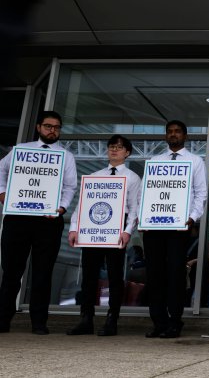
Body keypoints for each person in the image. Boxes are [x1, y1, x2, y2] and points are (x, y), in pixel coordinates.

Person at [0, 110, 77, 334]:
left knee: (43, 273)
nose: (53, 130)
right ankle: (3, 320)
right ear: (38, 127)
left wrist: (61, 207)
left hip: (48, 221)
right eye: (48, 126)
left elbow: (70, 186)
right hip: (18, 218)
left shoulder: (66, 156)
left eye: (57, 127)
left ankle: (39, 322)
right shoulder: (20, 151)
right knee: (12, 272)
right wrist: (3, 193)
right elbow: (1, 171)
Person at [66, 135, 141, 336]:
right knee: (89, 276)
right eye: (111, 147)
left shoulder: (133, 178)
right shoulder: (95, 175)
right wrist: (74, 227)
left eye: (119, 147)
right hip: (92, 230)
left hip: (117, 231)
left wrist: (127, 231)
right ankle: (86, 318)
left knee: (116, 277)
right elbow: (82, 205)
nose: (114, 150)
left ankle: (112, 319)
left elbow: (135, 208)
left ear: (127, 152)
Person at [143, 120, 207, 339]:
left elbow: (201, 193)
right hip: (154, 227)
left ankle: (174, 321)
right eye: (169, 132)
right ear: (165, 136)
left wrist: (192, 217)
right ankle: (158, 321)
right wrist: (144, 219)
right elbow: (148, 192)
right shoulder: (154, 160)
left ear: (185, 136)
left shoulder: (195, 161)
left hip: (179, 226)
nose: (173, 135)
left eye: (177, 132)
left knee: (175, 274)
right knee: (154, 274)